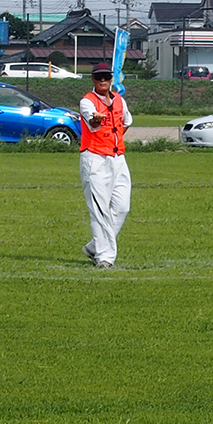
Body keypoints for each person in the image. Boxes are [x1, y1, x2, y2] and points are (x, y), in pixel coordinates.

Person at [79, 62, 132, 269]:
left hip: (118, 158)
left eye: (106, 77)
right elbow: (92, 123)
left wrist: (113, 140)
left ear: (111, 79)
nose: (103, 80)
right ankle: (104, 257)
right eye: (98, 77)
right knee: (100, 210)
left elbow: (126, 122)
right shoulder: (87, 102)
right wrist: (97, 120)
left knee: (122, 207)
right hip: (94, 158)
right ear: (93, 79)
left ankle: (94, 247)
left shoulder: (119, 100)